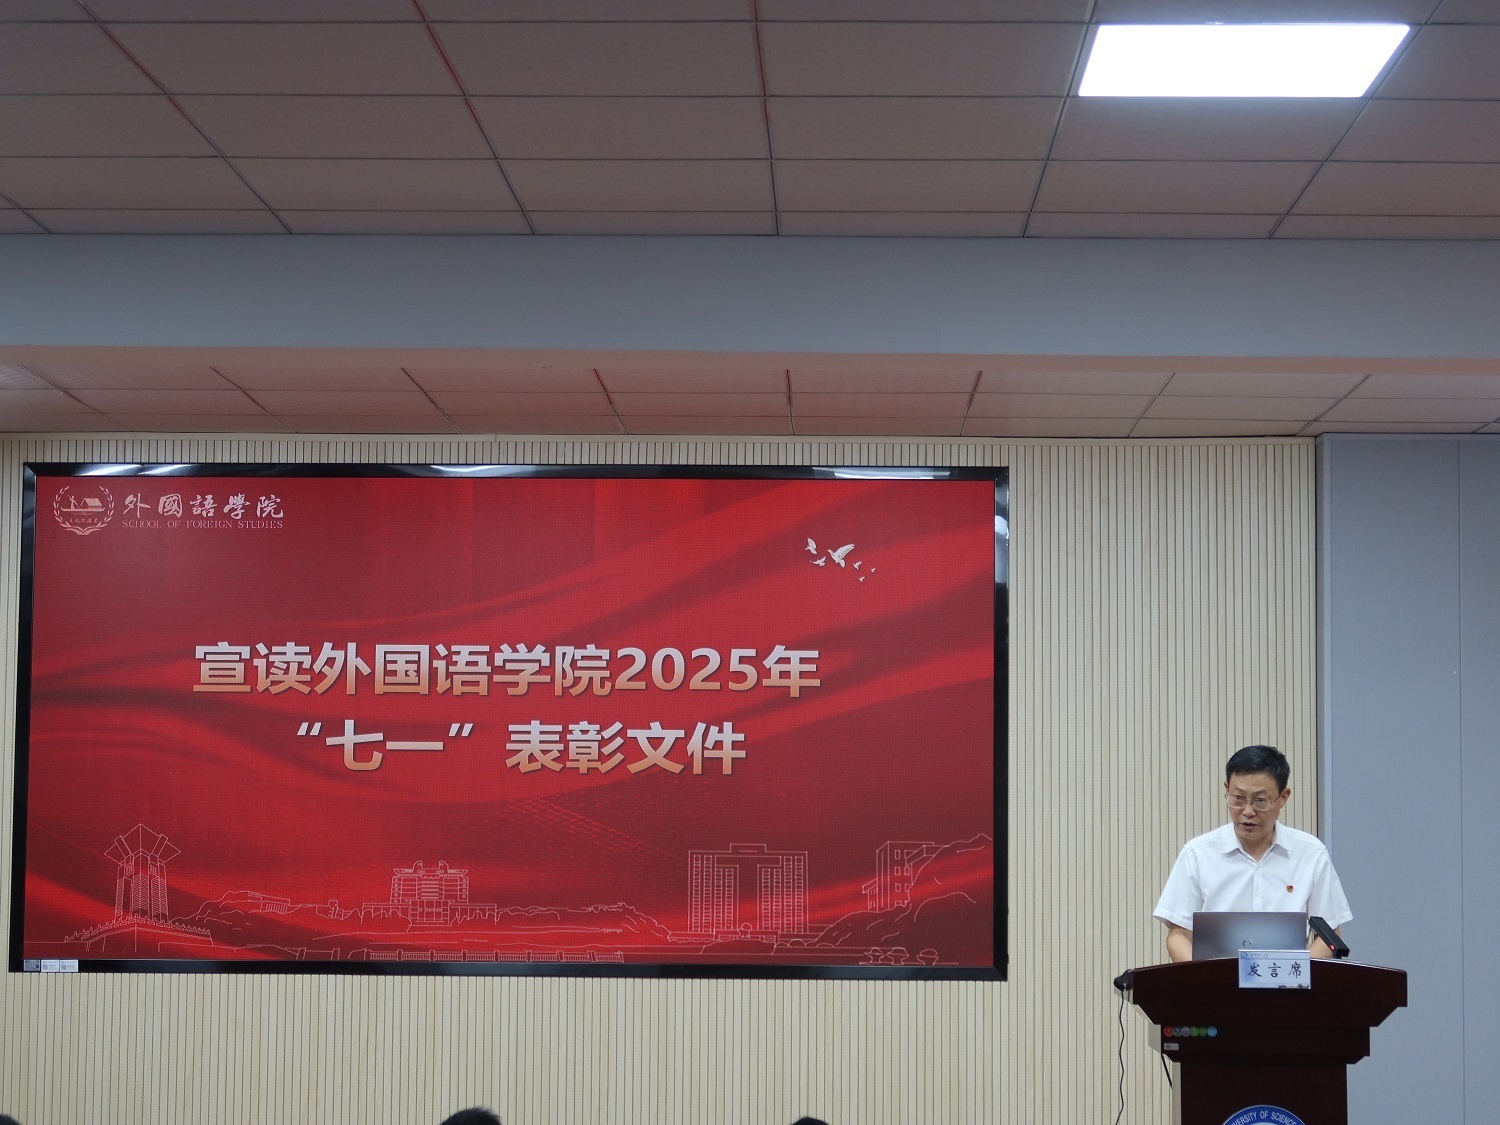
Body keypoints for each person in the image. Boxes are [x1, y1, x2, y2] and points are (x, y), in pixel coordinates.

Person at [1154, 744, 1351, 963]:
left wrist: (1294, 973)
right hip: (1215, 983)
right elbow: (1179, 934)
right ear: (1227, 788)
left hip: (1288, 982)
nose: (1248, 811)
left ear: (1284, 797)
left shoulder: (1311, 854)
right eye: (1238, 798)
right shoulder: (1198, 854)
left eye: (1260, 801)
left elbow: (1328, 935)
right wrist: (1204, 978)